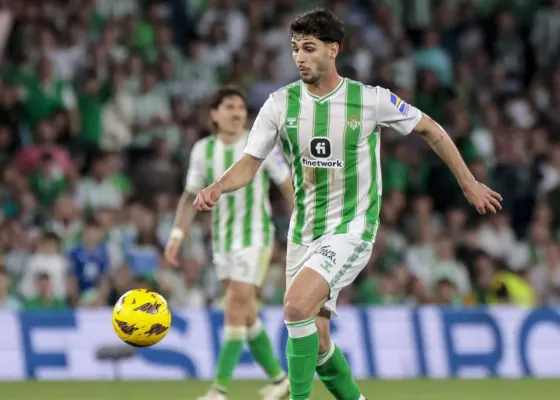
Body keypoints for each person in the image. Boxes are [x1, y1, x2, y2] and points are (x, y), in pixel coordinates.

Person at [193, 8, 503, 400]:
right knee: (319, 339)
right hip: (303, 232)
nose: (299, 57)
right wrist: (218, 186)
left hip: (351, 228)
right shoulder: (279, 104)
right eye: (295, 49)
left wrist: (468, 182)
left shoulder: (369, 100)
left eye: (309, 48)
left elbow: (431, 129)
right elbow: (250, 163)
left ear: (333, 50)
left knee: (295, 307)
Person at [164, 86, 294, 400]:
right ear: (214, 114)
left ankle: (219, 389)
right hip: (222, 242)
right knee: (245, 313)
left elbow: (287, 185)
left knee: (235, 305)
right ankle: (280, 379)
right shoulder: (202, 150)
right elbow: (189, 195)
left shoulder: (261, 143)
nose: (237, 113)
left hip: (255, 238)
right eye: (230, 107)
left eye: (241, 108)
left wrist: (302, 225)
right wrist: (177, 235)